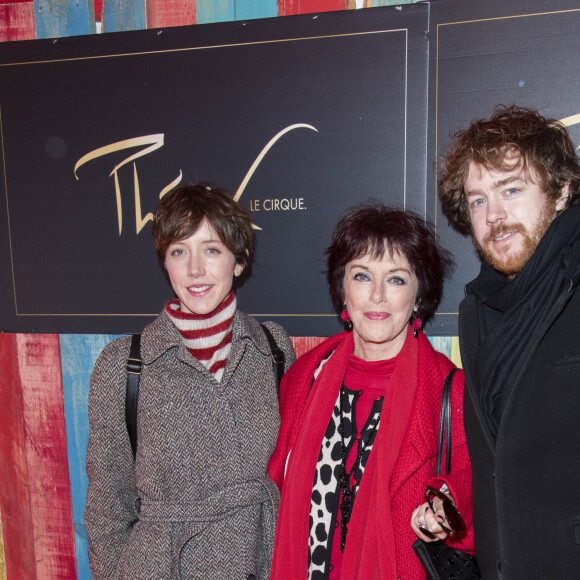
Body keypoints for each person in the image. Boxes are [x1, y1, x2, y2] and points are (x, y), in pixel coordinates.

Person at [84, 182, 295, 580]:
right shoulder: (125, 365)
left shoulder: (273, 348)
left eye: (211, 250)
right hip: (163, 567)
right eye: (179, 251)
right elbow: (108, 505)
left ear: (238, 260)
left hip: (259, 559)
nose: (195, 269)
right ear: (165, 263)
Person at [268, 203, 475, 579]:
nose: (377, 295)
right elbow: (273, 494)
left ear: (419, 297)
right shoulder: (304, 377)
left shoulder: (450, 392)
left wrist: (450, 512)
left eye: (396, 279)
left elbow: (481, 505)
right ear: (343, 290)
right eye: (362, 276)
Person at [438, 105, 580, 579]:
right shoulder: (477, 310)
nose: (493, 216)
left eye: (511, 190)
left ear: (560, 191)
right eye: (477, 200)